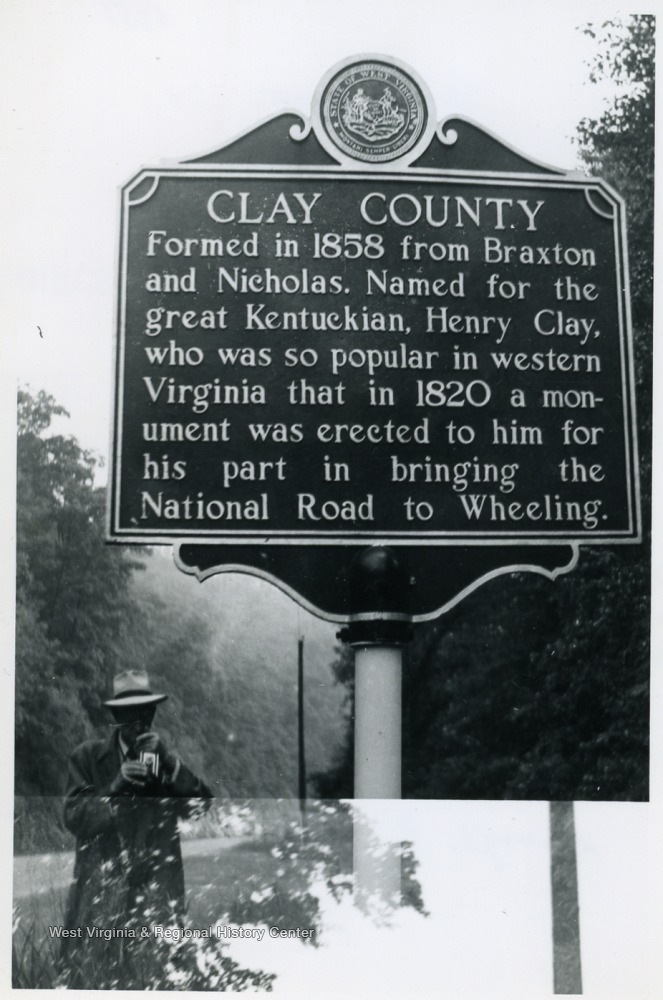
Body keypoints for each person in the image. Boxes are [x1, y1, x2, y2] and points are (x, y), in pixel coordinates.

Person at [60, 670, 213, 988]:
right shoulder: (88, 758)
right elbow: (74, 817)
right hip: (102, 896)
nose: (140, 722)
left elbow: (200, 807)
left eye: (146, 713)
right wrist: (115, 786)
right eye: (130, 715)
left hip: (155, 898)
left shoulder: (165, 763)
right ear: (116, 717)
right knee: (92, 977)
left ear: (153, 713)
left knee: (154, 978)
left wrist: (169, 762)